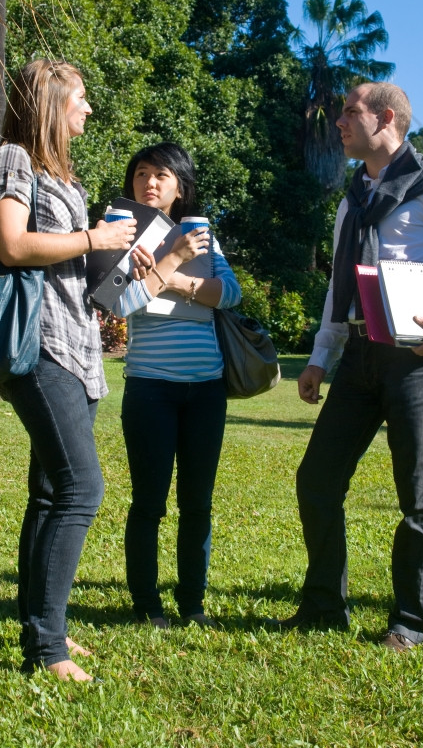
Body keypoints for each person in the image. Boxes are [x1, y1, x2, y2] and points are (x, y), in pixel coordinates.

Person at [281, 82, 423, 650]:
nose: (339, 123)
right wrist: (319, 359)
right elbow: (340, 284)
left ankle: (409, 623)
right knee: (317, 480)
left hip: (416, 360)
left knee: (417, 496)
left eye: (350, 113)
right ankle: (324, 607)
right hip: (357, 356)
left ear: (386, 119)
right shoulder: (353, 199)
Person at [0, 59, 137, 680]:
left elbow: (75, 269)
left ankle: (47, 628)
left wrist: (122, 252)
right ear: (49, 102)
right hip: (39, 347)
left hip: (78, 347)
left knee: (50, 494)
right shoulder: (12, 161)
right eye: (81, 97)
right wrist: (94, 238)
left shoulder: (57, 174)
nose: (90, 109)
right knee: (81, 489)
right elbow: (13, 245)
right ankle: (46, 649)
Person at [110, 142, 241, 629]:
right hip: (150, 388)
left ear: (179, 186)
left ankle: (193, 604)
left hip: (205, 390)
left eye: (161, 174)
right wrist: (169, 263)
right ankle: (146, 605)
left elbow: (228, 293)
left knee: (197, 503)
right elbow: (118, 303)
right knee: (149, 502)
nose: (150, 182)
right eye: (141, 173)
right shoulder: (121, 237)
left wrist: (177, 275)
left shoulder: (201, 235)